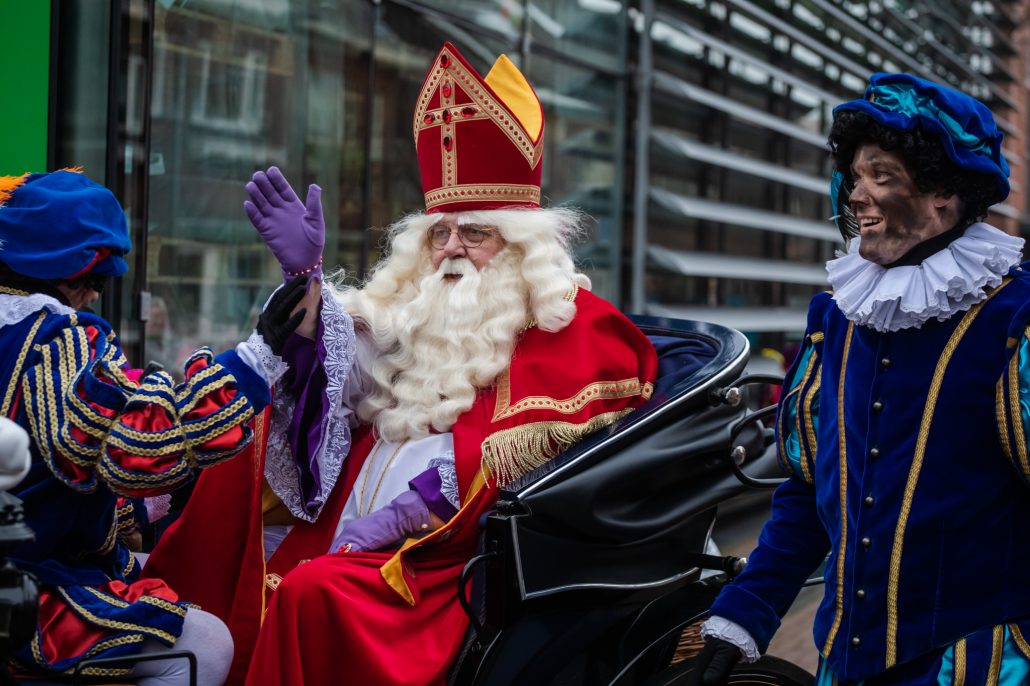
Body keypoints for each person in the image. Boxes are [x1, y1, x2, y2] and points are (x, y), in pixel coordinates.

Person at [145, 42, 659, 685]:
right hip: (355, 532)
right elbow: (340, 369)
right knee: (245, 499)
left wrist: (406, 516)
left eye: (474, 233)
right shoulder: (422, 309)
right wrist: (305, 281)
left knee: (312, 592)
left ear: (519, 248)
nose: (450, 249)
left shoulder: (572, 324)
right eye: (439, 233)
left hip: (447, 563)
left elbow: (524, 468)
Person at [693, 73, 1030, 685]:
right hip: (843, 665)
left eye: (882, 176)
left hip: (980, 667)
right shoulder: (836, 321)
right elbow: (806, 490)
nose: (855, 194)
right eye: (854, 175)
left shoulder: (1015, 321)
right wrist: (748, 611)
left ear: (944, 194)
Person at [0, 170, 306, 684]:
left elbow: (51, 472)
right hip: (26, 592)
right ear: (60, 268)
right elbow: (136, 449)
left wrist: (145, 506)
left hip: (28, 558)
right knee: (207, 643)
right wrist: (254, 361)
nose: (94, 297)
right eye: (91, 281)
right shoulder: (56, 338)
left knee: (173, 568)